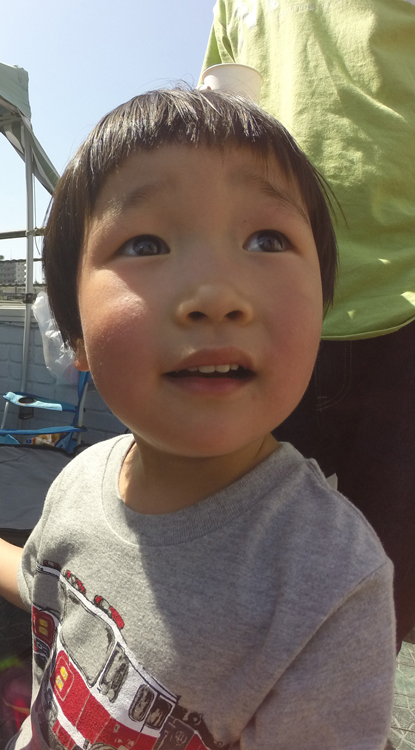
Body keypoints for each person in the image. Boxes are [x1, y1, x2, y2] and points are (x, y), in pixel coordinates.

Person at [0, 89, 396, 747]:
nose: (216, 295)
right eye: (146, 242)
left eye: (267, 239)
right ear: (74, 335)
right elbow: (49, 586)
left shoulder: (333, 584)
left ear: (323, 306)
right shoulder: (80, 480)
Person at [203, 0, 415, 652]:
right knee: (232, 566)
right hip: (264, 311)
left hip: (406, 310)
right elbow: (215, 119)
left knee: (388, 595)